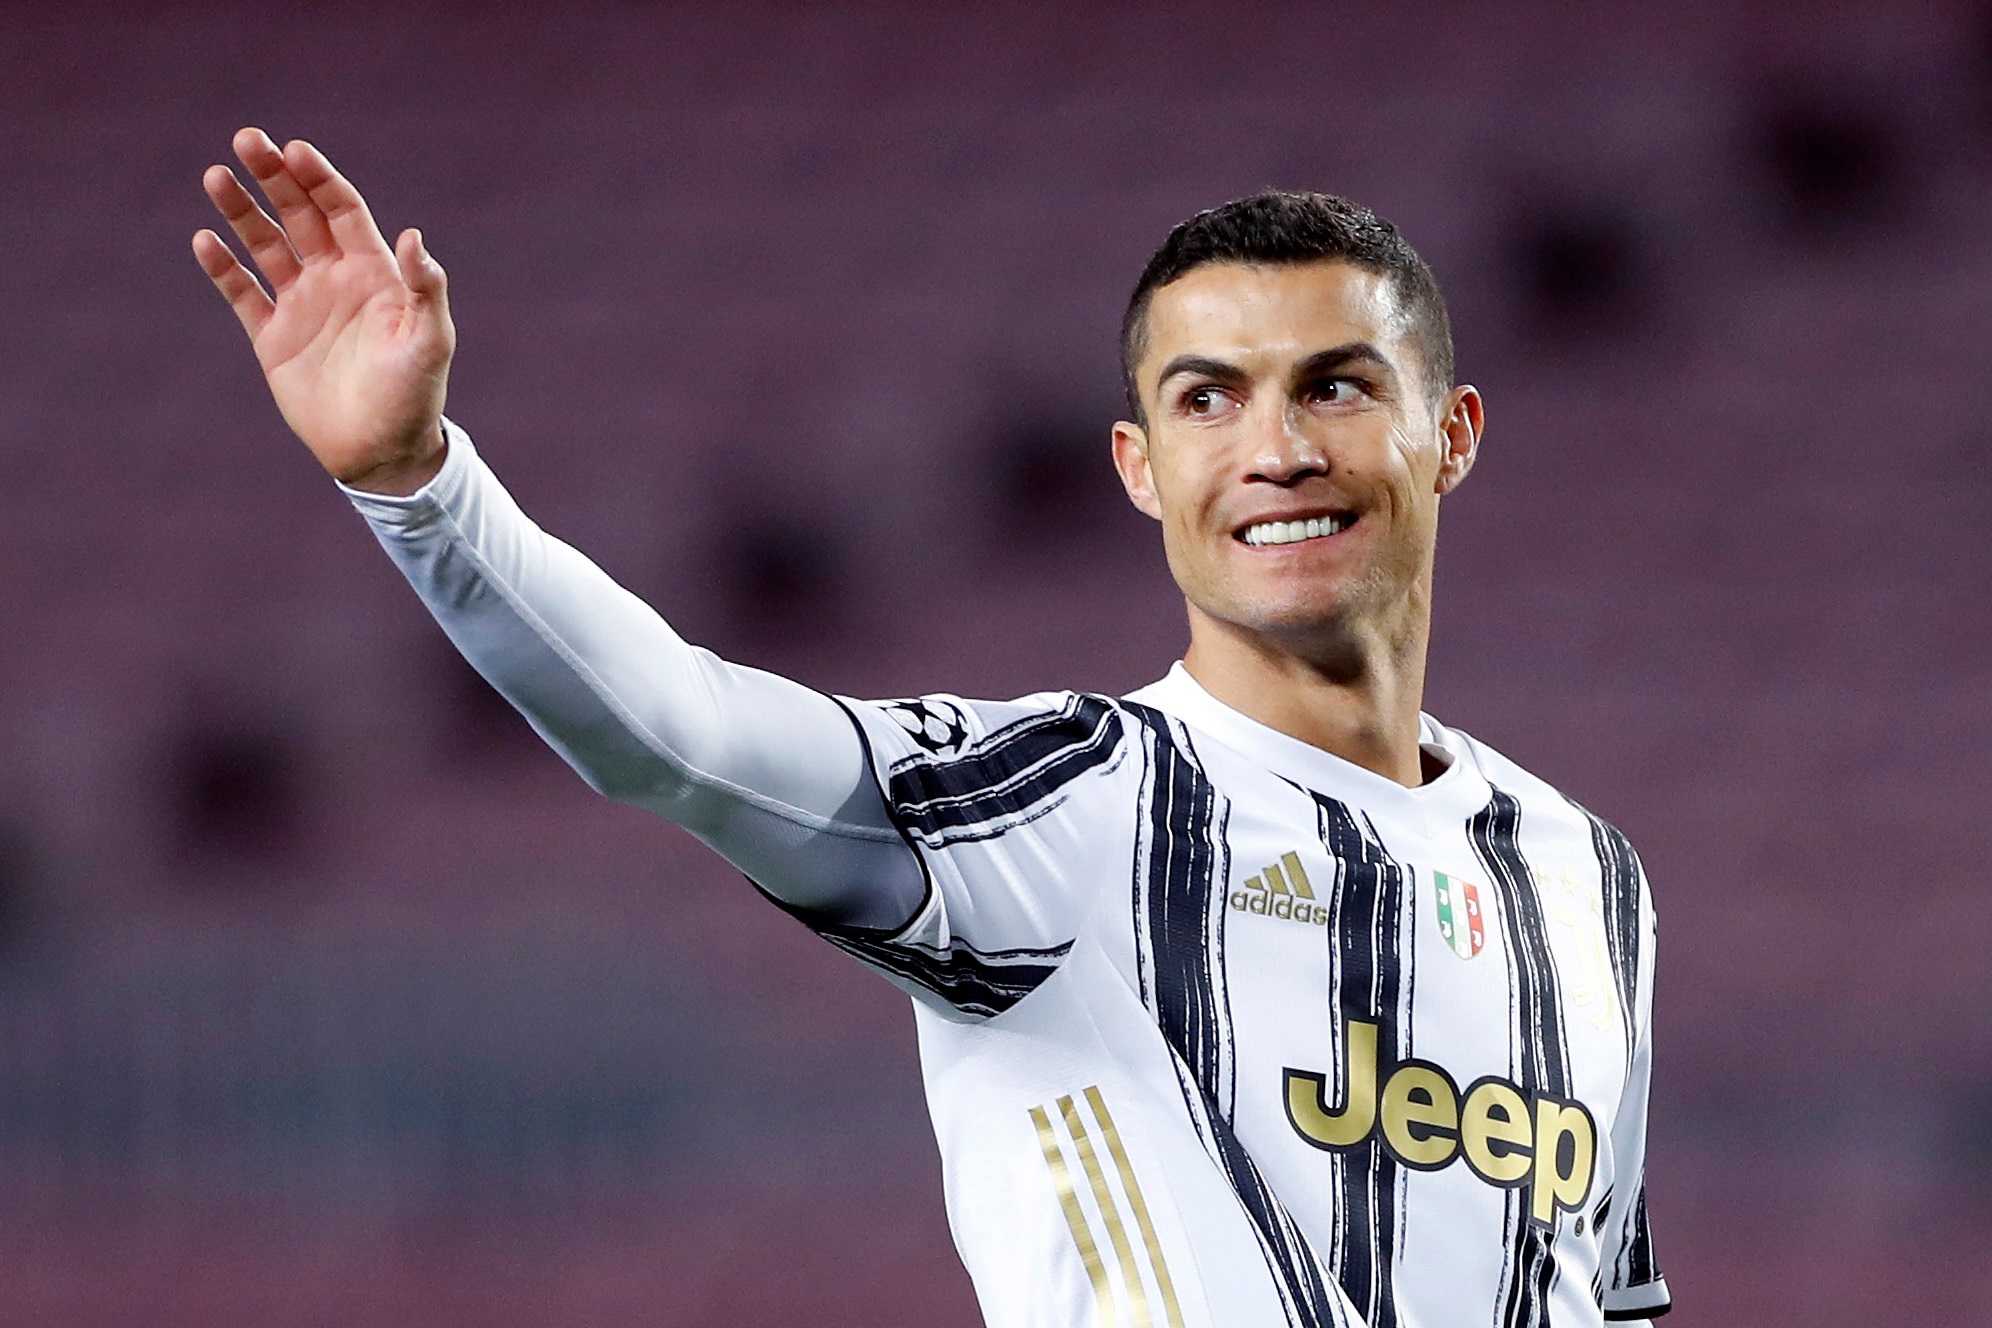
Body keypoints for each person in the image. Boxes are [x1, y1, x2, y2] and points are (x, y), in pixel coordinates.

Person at [193, 126, 1669, 1328]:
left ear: (1450, 435)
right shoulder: (1071, 807)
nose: (1276, 450)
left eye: (1335, 387)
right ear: (1140, 468)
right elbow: (674, 731)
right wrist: (420, 485)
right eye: (1208, 401)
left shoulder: (1589, 881)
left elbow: (1607, 1295)